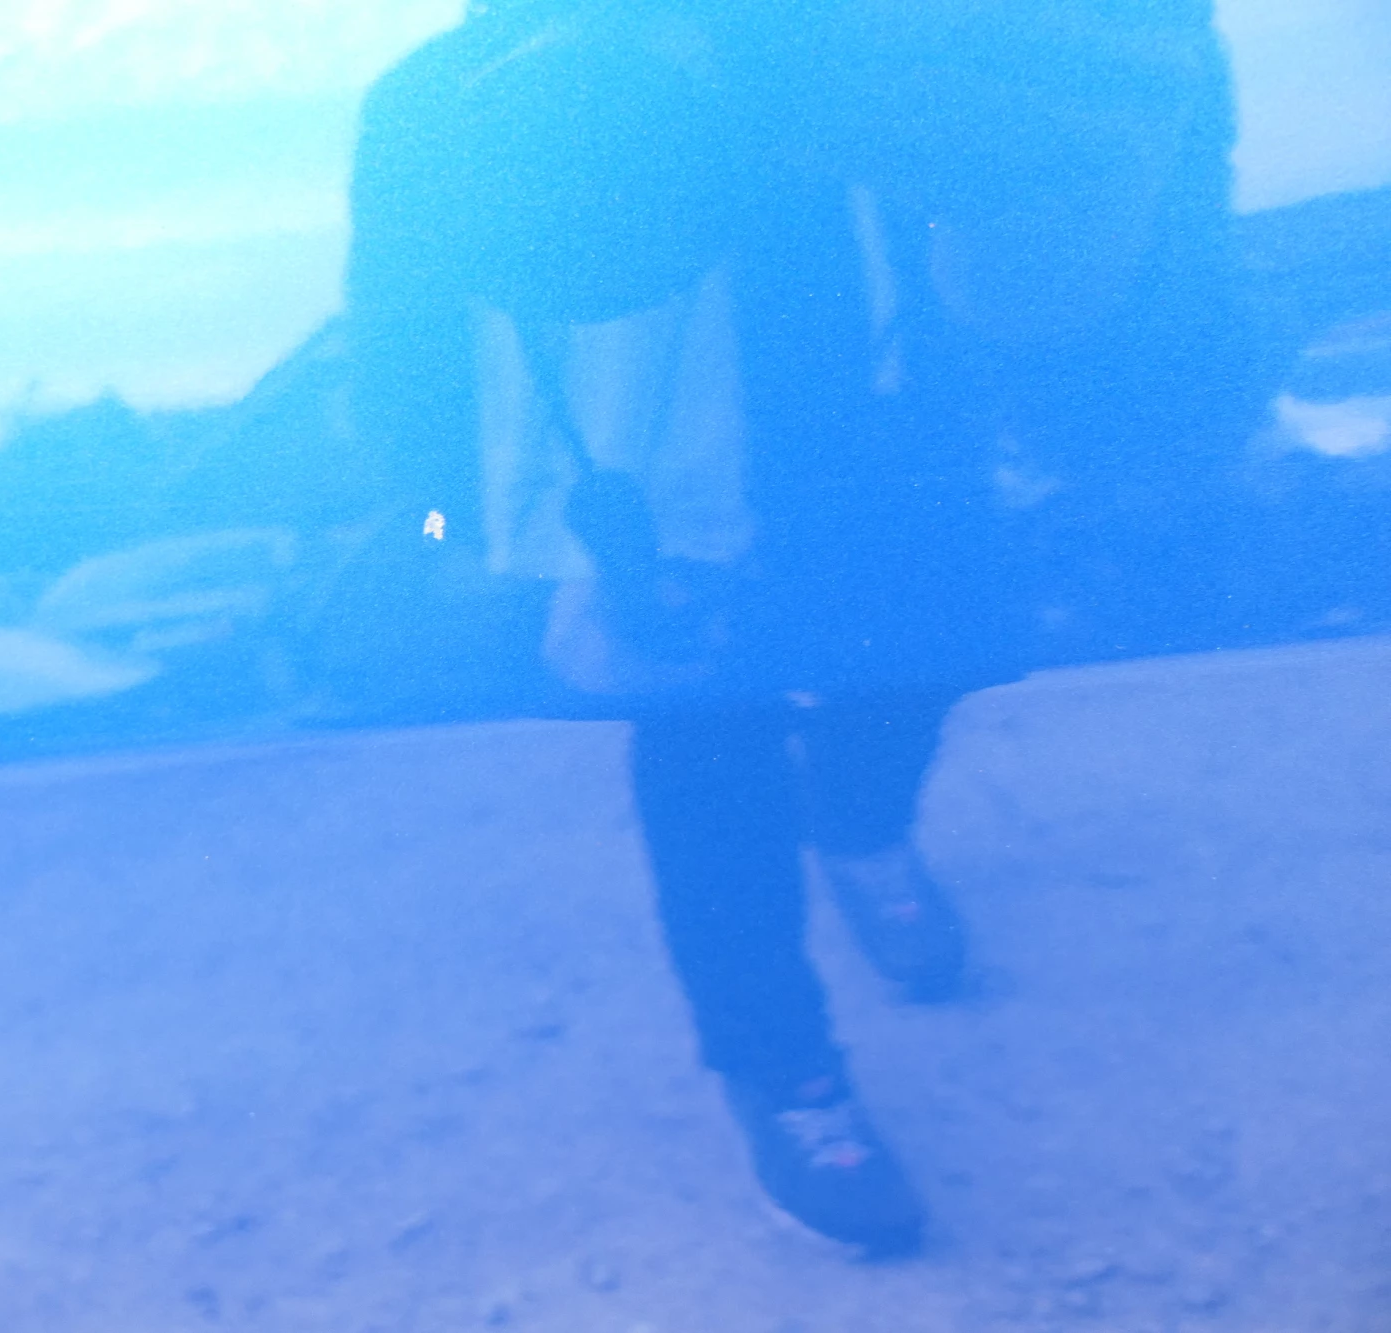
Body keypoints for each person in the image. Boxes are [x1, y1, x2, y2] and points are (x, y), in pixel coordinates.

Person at [343, 0, 1246, 1254]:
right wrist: (458, 521)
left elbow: (1073, 216)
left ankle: (860, 828)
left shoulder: (876, 33)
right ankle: (781, 1070)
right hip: (652, 491)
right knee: (709, 760)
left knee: (928, 668)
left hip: (894, 428)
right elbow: (399, 342)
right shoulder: (456, 88)